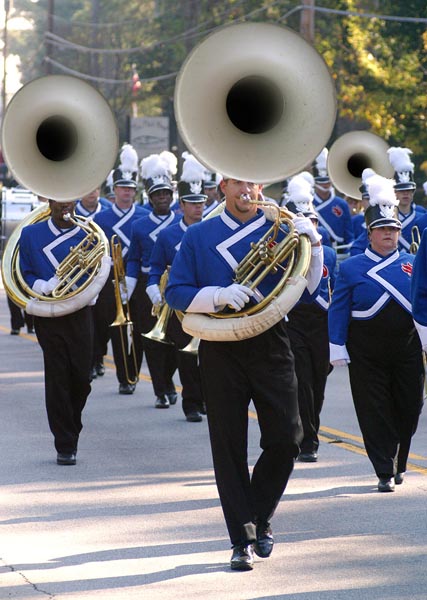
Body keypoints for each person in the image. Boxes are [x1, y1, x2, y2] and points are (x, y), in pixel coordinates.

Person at [165, 176, 323, 571]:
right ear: (223, 187)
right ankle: (242, 537)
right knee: (229, 445)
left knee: (288, 438)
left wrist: (315, 247)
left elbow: (308, 288)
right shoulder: (200, 234)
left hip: (271, 341)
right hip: (220, 347)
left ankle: (261, 514)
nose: (246, 192)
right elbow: (176, 291)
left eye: (252, 183)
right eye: (237, 184)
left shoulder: (281, 228)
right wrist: (217, 296)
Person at [328, 173, 424, 492]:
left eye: (393, 229)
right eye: (382, 229)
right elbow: (339, 307)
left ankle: (398, 458)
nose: (389, 234)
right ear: (370, 233)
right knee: (373, 409)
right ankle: (384, 468)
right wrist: (336, 345)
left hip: (407, 346)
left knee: (410, 407)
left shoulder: (412, 262)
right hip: (366, 348)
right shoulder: (351, 266)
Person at [19, 198, 96, 465]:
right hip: (48, 315)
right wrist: (40, 285)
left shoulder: (88, 232)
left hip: (80, 312)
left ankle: (71, 425)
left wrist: (86, 291)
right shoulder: (30, 234)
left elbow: (98, 270)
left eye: (70, 200)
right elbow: (23, 271)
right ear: (49, 201)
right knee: (57, 377)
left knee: (82, 379)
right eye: (59, 200)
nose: (66, 205)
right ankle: (65, 443)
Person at [147, 153, 207, 421]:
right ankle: (191, 404)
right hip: (179, 305)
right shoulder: (168, 234)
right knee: (186, 354)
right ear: (181, 204)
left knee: (208, 357)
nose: (198, 208)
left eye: (202, 202)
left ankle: (205, 398)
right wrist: (152, 288)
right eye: (193, 203)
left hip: (208, 301)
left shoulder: (212, 230)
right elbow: (156, 268)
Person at [284, 175, 337, 462]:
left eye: (312, 222)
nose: (309, 227)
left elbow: (335, 292)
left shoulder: (328, 254)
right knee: (302, 379)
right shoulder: (281, 253)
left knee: (318, 382)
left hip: (321, 323)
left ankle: (309, 426)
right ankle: (308, 441)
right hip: (293, 322)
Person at [94, 143, 149, 394]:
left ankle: (133, 373)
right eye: (122, 188)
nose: (127, 193)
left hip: (136, 279)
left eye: (130, 188)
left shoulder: (144, 215)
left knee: (137, 330)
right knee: (116, 329)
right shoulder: (101, 219)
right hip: (110, 281)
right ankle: (122, 377)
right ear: (113, 190)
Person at [126, 153, 180, 407]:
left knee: (175, 340)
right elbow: (134, 258)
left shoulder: (181, 222)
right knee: (150, 338)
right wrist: (130, 285)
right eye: (157, 195)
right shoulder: (139, 225)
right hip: (148, 286)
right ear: (150, 198)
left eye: (166, 194)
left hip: (176, 285)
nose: (162, 198)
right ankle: (160, 390)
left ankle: (168, 381)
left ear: (172, 197)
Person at [312, 147, 354, 256]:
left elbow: (348, 233)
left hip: (339, 251)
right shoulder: (308, 203)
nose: (325, 185)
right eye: (321, 183)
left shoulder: (341, 204)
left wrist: (348, 251)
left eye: (327, 182)